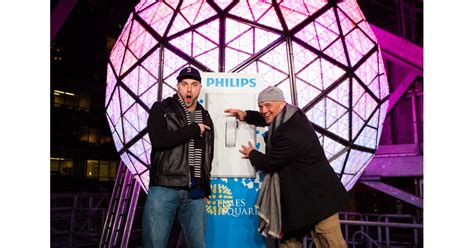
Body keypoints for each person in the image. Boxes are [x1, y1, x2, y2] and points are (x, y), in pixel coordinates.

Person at [225, 86, 348, 248]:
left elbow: (270, 162)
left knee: (331, 243)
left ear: (282, 104)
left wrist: (252, 153)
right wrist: (246, 115)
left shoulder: (291, 131)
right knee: (289, 242)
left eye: (268, 105)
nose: (264, 110)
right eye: (260, 106)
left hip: (319, 199)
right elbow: (267, 117)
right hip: (299, 199)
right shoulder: (289, 115)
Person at [143, 66, 214, 248]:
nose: (189, 89)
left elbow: (207, 153)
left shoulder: (204, 115)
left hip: (196, 191)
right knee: (155, 244)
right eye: (184, 84)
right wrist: (192, 130)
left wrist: (205, 185)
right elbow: (158, 139)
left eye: (194, 84)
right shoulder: (162, 108)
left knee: (198, 245)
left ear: (200, 88)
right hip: (164, 187)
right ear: (177, 87)